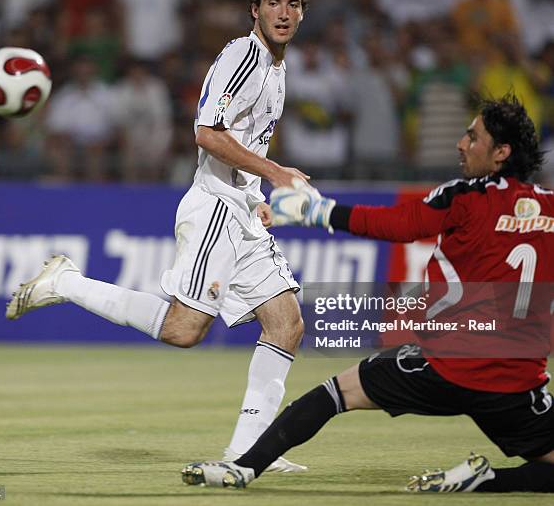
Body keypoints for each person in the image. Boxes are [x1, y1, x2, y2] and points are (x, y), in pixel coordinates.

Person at [6, 0, 311, 473]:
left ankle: (247, 450)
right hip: (214, 208)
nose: (283, 13)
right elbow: (206, 132)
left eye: (293, 4)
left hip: (241, 209)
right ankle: (67, 283)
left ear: (303, 13)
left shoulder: (278, 69)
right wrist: (276, 171)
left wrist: (256, 189)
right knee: (183, 330)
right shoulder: (243, 55)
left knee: (286, 323)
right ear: (254, 10)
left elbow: (240, 141)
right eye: (274, 3)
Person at [181, 94, 554, 492]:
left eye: (472, 137)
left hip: (449, 364)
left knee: (334, 393)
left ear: (501, 152)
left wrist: (319, 212)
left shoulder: (466, 196)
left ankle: (244, 468)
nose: (461, 144)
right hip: (516, 381)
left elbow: (398, 225)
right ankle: (485, 481)